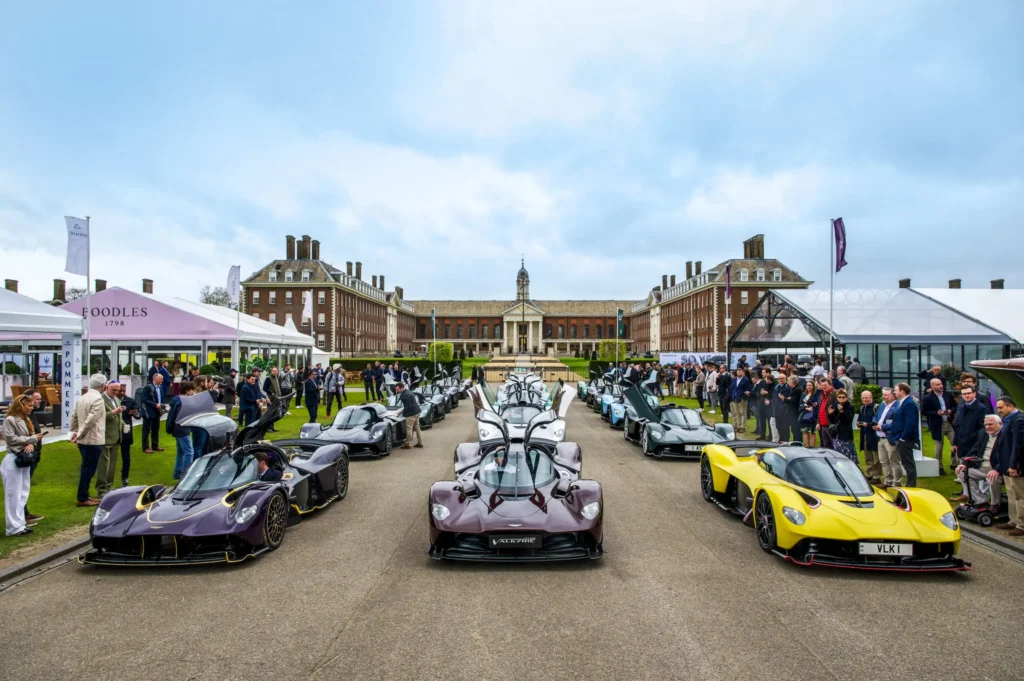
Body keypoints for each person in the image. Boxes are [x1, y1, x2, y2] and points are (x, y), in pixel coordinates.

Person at [2, 394, 43, 535]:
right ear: (21, 405)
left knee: (22, 492)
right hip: (13, 459)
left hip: (24, 460)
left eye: (32, 405)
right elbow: (11, 439)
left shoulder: (26, 420)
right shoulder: (10, 420)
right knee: (13, 494)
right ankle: (13, 527)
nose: (32, 408)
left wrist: (31, 443)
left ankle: (19, 524)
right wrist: (31, 440)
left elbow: (28, 440)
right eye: (29, 405)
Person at [70, 373, 108, 507]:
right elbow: (90, 420)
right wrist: (78, 434)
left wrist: (74, 433)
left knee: (86, 468)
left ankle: (84, 495)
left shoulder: (83, 397)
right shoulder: (98, 399)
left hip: (84, 440)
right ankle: (82, 497)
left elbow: (74, 416)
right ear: (103, 386)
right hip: (92, 439)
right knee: (88, 470)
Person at [952, 414, 1002, 508]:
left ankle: (995, 504)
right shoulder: (983, 433)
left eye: (990, 424)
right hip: (982, 467)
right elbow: (974, 449)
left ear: (1000, 424)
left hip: (998, 469)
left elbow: (1006, 456)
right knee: (962, 472)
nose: (987, 427)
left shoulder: (1005, 435)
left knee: (992, 479)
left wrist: (997, 469)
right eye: (986, 424)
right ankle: (980, 501)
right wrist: (964, 463)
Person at [993, 396, 1023, 535]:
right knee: (1011, 495)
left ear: (1010, 406)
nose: (999, 410)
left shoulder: (1019, 420)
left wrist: (1013, 465)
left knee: (1020, 495)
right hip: (1006, 465)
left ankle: (1022, 525)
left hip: (1015, 467)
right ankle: (1013, 520)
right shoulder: (1009, 420)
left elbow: (1018, 445)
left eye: (1001, 407)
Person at [882, 383, 920, 487]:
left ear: (902, 391)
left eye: (895, 390)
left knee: (908, 463)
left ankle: (911, 485)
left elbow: (910, 423)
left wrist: (903, 438)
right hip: (900, 437)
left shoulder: (909, 404)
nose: (894, 392)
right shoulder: (903, 403)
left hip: (905, 439)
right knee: (906, 463)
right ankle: (910, 484)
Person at [95, 380, 126, 497]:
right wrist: (114, 412)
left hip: (116, 437)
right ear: (106, 388)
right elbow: (99, 416)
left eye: (117, 390)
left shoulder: (117, 399)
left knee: (112, 465)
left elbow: (119, 416)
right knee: (104, 465)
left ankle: (109, 487)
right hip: (105, 437)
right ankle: (101, 489)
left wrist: (123, 424)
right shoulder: (100, 399)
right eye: (113, 390)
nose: (116, 392)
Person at [922, 377, 956, 475]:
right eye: (938, 385)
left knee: (956, 443)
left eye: (941, 384)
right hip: (937, 424)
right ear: (932, 386)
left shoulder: (948, 395)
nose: (941, 386)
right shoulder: (928, 398)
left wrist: (951, 411)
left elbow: (955, 406)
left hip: (949, 423)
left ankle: (954, 463)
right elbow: (924, 411)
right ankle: (939, 467)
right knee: (939, 446)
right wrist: (936, 413)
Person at [19, 389, 44, 523]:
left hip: (34, 455)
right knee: (22, 487)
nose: (39, 401)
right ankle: (22, 515)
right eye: (37, 399)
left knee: (25, 486)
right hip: (27, 456)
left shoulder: (32, 414)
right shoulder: (22, 417)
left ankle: (24, 513)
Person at [167, 380, 196, 480]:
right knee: (189, 452)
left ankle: (177, 473)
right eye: (192, 391)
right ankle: (185, 475)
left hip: (177, 429)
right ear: (187, 390)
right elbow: (181, 417)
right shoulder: (182, 402)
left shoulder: (177, 400)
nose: (193, 393)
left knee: (181, 452)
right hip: (182, 429)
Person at [953, 384, 987, 464]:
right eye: (964, 394)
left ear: (974, 394)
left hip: (973, 445)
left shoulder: (981, 408)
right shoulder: (963, 407)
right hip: (961, 445)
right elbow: (958, 426)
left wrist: (972, 437)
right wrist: (955, 443)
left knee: (969, 470)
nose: (966, 395)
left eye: (968, 393)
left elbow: (982, 428)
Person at [116, 384, 139, 487]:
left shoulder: (131, 401)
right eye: (120, 391)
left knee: (126, 456)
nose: (122, 393)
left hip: (126, 432)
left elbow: (139, 415)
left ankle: (125, 476)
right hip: (114, 432)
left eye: (123, 391)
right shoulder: (111, 401)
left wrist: (135, 413)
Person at [857, 390, 882, 484]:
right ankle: (869, 474)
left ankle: (876, 476)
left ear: (871, 397)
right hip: (865, 434)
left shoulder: (876, 407)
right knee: (868, 456)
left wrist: (867, 424)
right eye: (863, 398)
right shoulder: (862, 408)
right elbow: (859, 419)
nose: (865, 399)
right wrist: (859, 424)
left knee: (876, 457)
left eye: (866, 397)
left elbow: (878, 421)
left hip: (874, 435)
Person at [139, 373, 166, 453]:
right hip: (148, 411)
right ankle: (145, 447)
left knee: (155, 429)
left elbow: (161, 398)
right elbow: (144, 399)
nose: (162, 380)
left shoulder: (160, 388)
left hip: (157, 411)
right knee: (146, 429)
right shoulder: (148, 387)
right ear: (155, 378)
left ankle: (155, 445)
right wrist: (155, 405)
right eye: (161, 378)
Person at [826, 389, 857, 461]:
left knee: (847, 454)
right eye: (839, 397)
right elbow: (833, 421)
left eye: (843, 397)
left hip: (845, 434)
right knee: (838, 453)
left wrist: (842, 411)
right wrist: (830, 413)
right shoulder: (835, 406)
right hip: (836, 433)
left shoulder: (849, 407)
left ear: (846, 398)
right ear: (837, 398)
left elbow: (848, 420)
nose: (841, 399)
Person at [396, 382, 424, 449]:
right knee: (417, 428)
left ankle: (407, 444)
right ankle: (420, 443)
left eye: (398, 389)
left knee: (409, 428)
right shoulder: (407, 391)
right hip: (417, 411)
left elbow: (409, 406)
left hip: (411, 414)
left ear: (402, 388)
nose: (397, 391)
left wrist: (401, 412)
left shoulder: (405, 395)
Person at [798, 380, 819, 447]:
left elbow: (817, 403)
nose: (808, 387)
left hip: (814, 415)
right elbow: (801, 404)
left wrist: (813, 406)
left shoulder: (816, 394)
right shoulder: (803, 394)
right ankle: (807, 446)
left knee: (813, 432)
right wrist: (806, 408)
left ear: (813, 386)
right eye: (807, 385)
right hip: (805, 415)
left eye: (810, 385)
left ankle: (813, 446)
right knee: (805, 431)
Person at [816, 377, 835, 450]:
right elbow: (819, 409)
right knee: (825, 445)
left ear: (830, 385)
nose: (824, 387)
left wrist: (832, 408)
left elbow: (838, 403)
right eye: (822, 385)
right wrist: (818, 422)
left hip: (830, 424)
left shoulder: (834, 393)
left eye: (825, 385)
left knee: (833, 444)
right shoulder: (822, 395)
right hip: (822, 425)